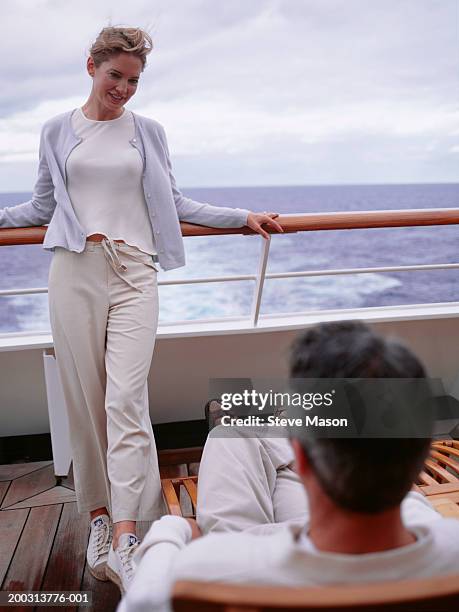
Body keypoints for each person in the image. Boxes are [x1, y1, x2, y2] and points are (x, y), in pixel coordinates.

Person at [0, 26, 283, 593]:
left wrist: (239, 216)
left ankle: (129, 538)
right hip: (75, 271)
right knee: (86, 406)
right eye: (115, 77)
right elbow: (41, 205)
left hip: (135, 274)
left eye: (133, 80)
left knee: (125, 400)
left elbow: (174, 203)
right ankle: (100, 523)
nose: (124, 89)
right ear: (91, 67)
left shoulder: (147, 133)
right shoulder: (57, 131)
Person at [117, 321, 459, 611]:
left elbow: (142, 601)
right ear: (421, 458)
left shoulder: (205, 571)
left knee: (229, 434)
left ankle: (280, 430)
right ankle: (291, 432)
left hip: (274, 547)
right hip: (397, 526)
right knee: (406, 500)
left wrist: (171, 530)